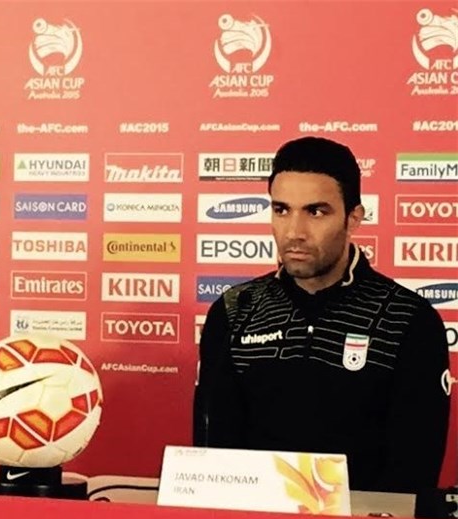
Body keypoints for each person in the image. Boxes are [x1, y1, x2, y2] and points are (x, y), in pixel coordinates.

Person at [193, 136, 451, 493]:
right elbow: (213, 460)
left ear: (353, 218)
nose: (294, 232)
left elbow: (413, 473)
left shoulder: (407, 319)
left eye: (316, 212)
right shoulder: (235, 310)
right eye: (281, 210)